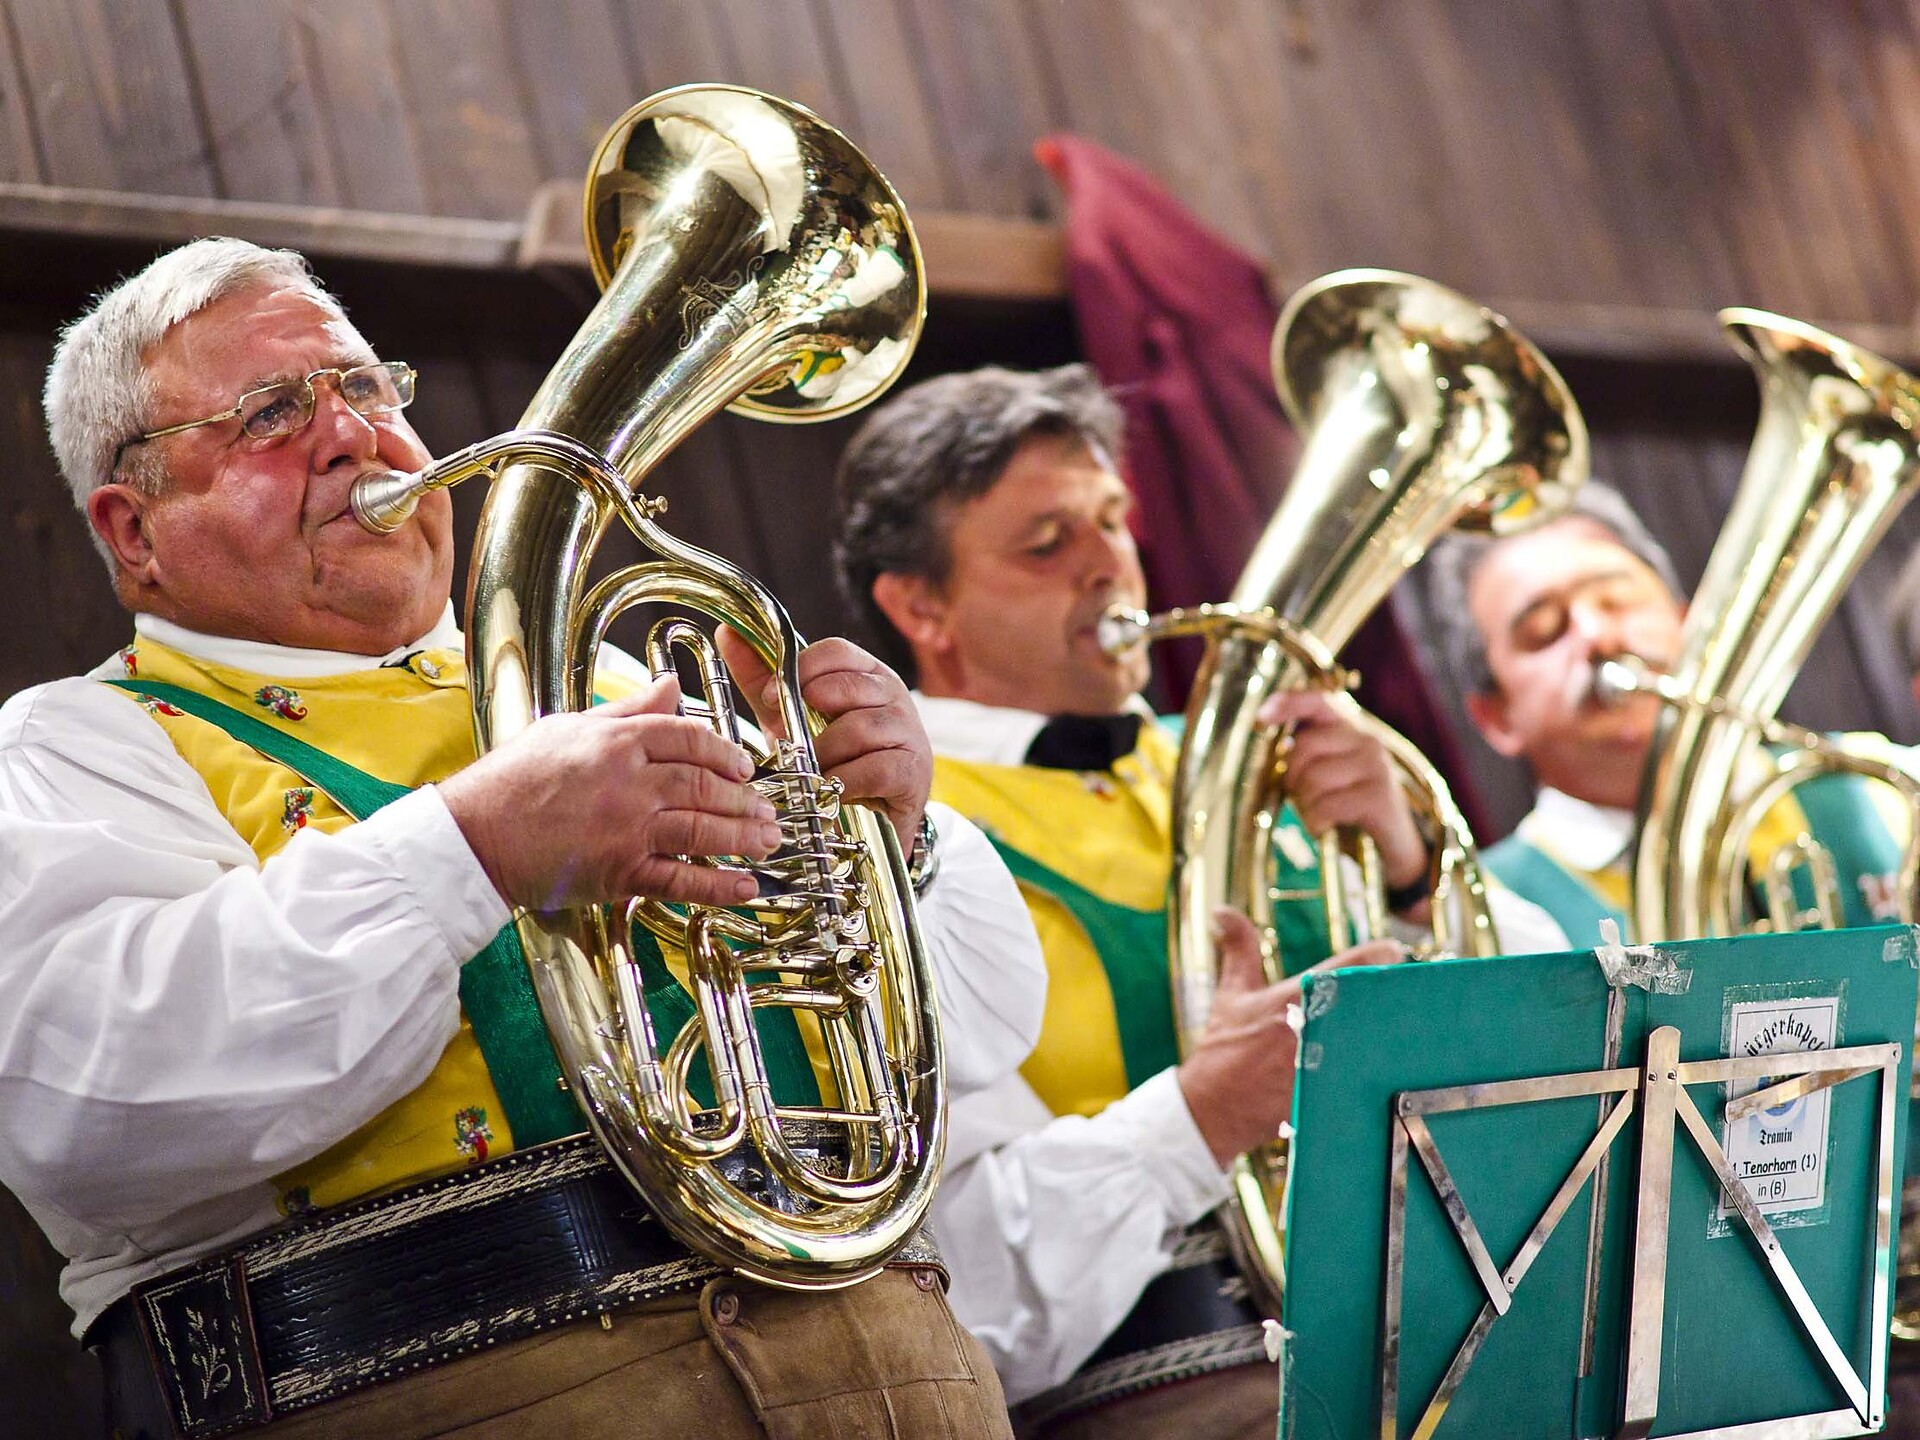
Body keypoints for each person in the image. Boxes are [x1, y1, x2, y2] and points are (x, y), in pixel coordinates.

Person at [0, 237, 1050, 1439]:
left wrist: (889, 834)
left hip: (903, 1374)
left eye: (364, 385)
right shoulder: (70, 747)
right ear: (134, 530)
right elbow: (85, 1101)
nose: (350, 434)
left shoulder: (618, 685)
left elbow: (983, 1039)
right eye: (269, 414)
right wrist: (478, 845)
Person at [832, 363, 1567, 1438]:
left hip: (1461, 1332)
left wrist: (1414, 874)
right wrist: (1203, 1116)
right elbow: (962, 1285)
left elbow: (1565, 1025)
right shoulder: (899, 832)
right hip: (1165, 1385)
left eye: (1112, 519)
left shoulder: (1266, 759)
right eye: (1047, 544)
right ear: (920, 605)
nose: (1109, 563)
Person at [1425, 480, 1910, 943]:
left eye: (1617, 600)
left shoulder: (1876, 782)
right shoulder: (1487, 911)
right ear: (1496, 718)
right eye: (1544, 631)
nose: (1596, 636)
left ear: (1687, 622)